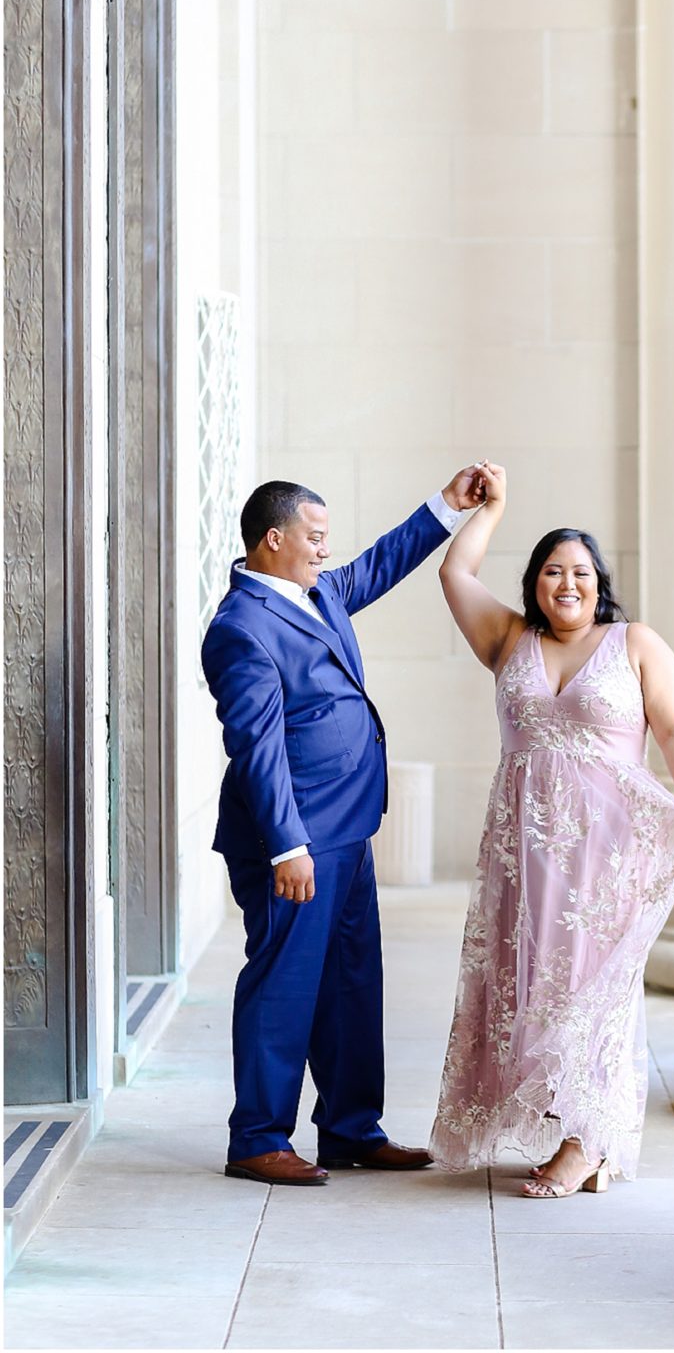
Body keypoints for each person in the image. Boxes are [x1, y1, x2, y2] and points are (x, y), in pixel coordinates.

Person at [429, 462, 674, 1197]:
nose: (568, 584)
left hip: (603, 853)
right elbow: (453, 572)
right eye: (553, 571)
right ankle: (566, 1125)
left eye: (581, 573)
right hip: (522, 854)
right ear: (533, 583)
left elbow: (672, 726)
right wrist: (493, 506)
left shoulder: (635, 644)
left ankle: (586, 1142)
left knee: (594, 989)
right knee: (525, 991)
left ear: (599, 583)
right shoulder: (507, 640)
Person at [202, 468, 484, 1186]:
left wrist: (443, 508)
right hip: (293, 842)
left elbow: (379, 565)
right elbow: (257, 747)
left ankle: (351, 1130)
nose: (327, 552)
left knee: (352, 980)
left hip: (348, 829)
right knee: (284, 985)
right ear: (274, 540)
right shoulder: (241, 629)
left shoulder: (318, 591)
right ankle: (258, 1139)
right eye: (315, 538)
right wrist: (286, 846)